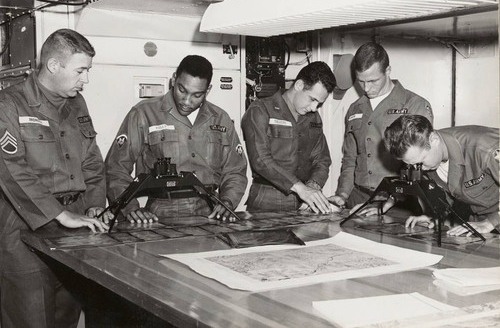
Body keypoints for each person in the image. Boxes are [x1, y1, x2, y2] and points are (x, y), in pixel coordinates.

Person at [0, 28, 110, 328]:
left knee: (67, 317)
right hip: (24, 232)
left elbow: (92, 162)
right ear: (53, 66)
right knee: (32, 320)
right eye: (80, 71)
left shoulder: (77, 104)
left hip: (73, 229)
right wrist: (60, 214)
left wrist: (94, 206)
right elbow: (10, 169)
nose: (85, 80)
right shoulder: (9, 104)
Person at [106, 55, 247, 223]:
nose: (187, 101)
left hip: (210, 211)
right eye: (182, 90)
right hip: (161, 211)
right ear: (174, 79)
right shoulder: (144, 113)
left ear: (207, 90)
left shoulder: (220, 118)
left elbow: (235, 170)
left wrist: (227, 201)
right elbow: (116, 167)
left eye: (197, 95)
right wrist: (130, 208)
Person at [329, 42, 434, 210]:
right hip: (358, 198)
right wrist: (342, 194)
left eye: (373, 81)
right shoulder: (355, 109)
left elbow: (419, 164)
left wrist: (390, 200)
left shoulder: (414, 105)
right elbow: (350, 158)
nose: (366, 88)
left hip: (398, 202)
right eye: (361, 81)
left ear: (388, 71)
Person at [241, 61, 336, 213]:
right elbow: (260, 159)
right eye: (312, 99)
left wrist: (312, 187)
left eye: (319, 104)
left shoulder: (314, 118)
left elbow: (322, 159)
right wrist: (300, 188)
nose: (314, 108)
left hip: (304, 202)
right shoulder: (260, 110)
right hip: (267, 201)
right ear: (298, 85)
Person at [383, 114, 499, 235]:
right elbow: (450, 191)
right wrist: (436, 218)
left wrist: (490, 222)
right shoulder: (430, 157)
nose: (419, 169)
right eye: (412, 165)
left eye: (420, 163)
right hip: (483, 225)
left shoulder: (486, 147)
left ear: (434, 140)